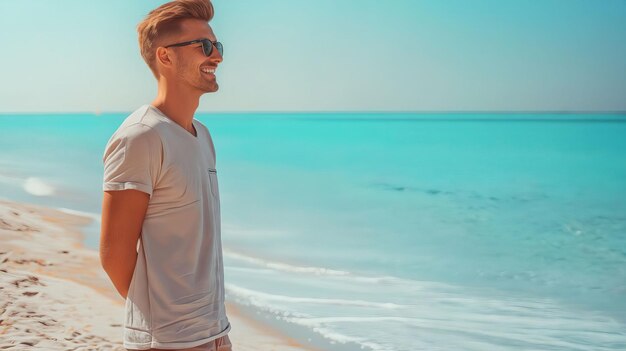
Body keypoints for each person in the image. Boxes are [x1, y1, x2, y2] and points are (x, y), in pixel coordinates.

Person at [99, 0, 230, 350]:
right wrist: (165, 320)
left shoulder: (202, 135)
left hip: (214, 333)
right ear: (166, 57)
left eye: (217, 46)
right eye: (204, 46)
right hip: (169, 341)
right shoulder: (140, 136)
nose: (216, 56)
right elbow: (114, 253)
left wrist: (216, 331)